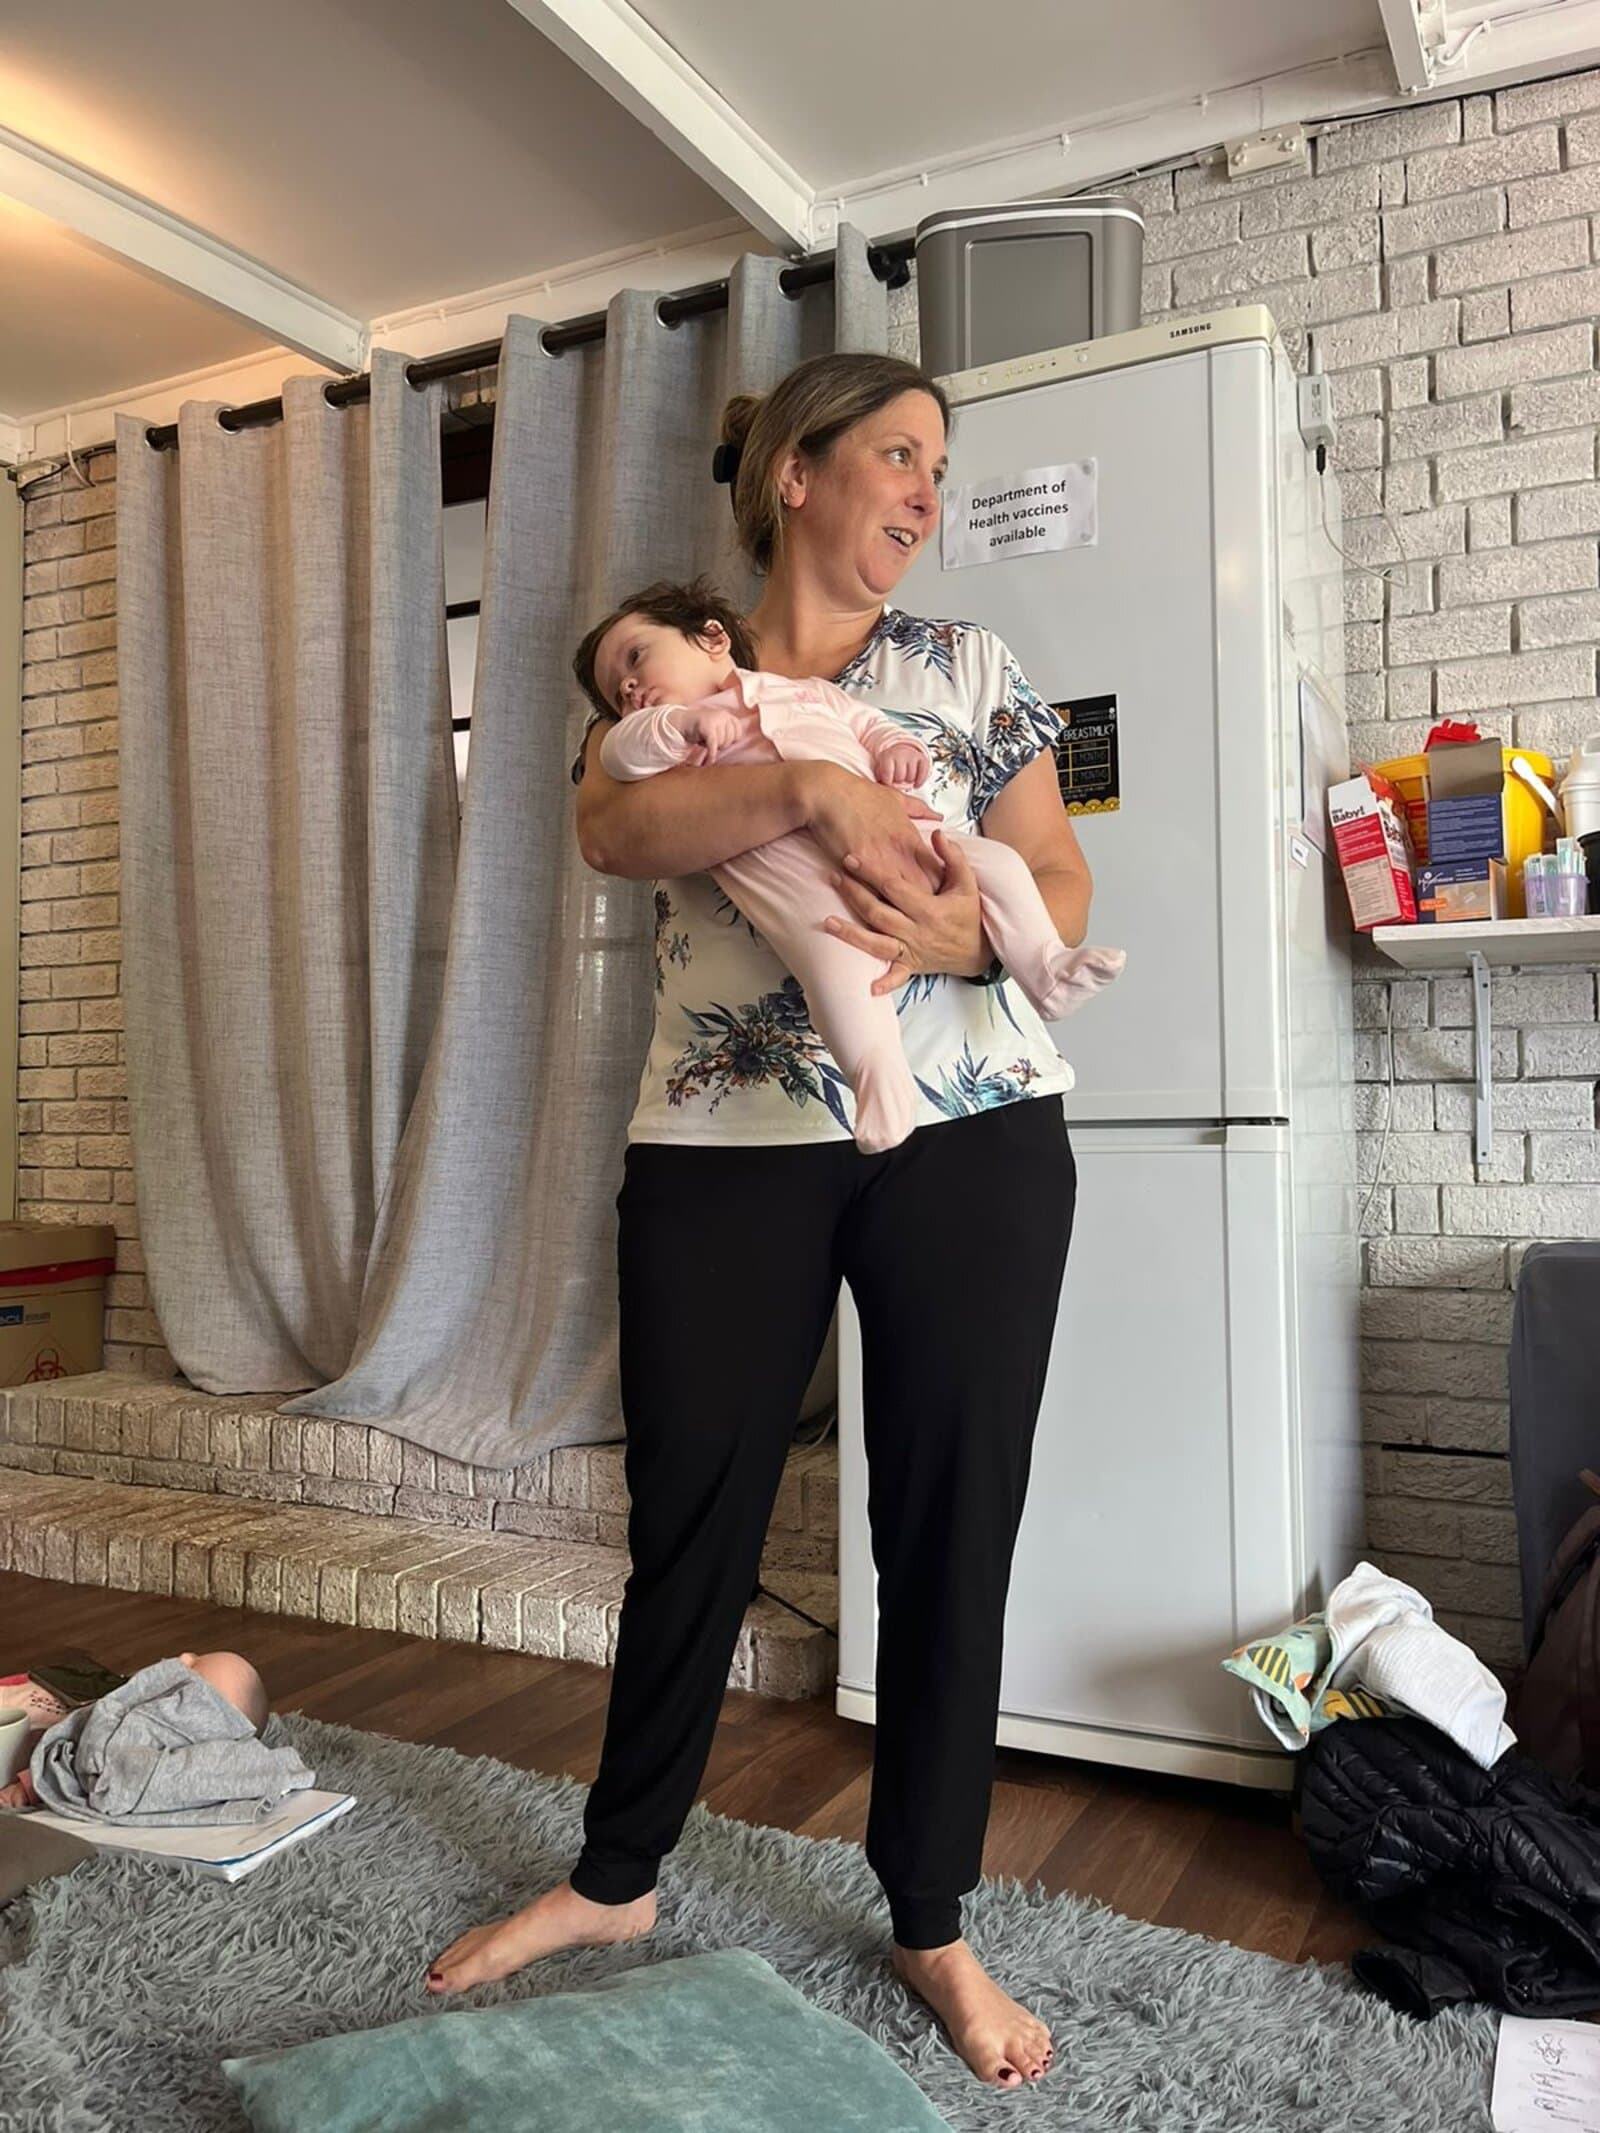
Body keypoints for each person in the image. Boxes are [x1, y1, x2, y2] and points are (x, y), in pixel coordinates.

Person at [428, 350, 1093, 2093]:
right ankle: (617, 1874)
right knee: (692, 1509)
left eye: (940, 469)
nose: (925, 494)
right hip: (724, 1140)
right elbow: (614, 826)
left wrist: (971, 937)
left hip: (977, 1131)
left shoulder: (975, 669)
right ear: (794, 472)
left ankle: (933, 1910)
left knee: (954, 1517)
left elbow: (1064, 874)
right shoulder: (672, 668)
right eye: (896, 454)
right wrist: (808, 788)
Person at [569, 575, 1124, 1153]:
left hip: (919, 862)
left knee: (1002, 866)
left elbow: (866, 724)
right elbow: (616, 792)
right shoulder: (657, 732)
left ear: (711, 638)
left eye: (636, 659)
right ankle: (880, 1082)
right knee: (838, 971)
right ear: (791, 480)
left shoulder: (810, 689)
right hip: (806, 897)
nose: (629, 685)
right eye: (616, 690)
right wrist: (687, 728)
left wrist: (894, 749)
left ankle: (1048, 971)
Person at [0, 1650, 309, 1824]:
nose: (184, 1659)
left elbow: (99, 1761)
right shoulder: (133, 1715)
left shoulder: (169, 1741)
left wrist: (28, 1787)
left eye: (192, 1673)